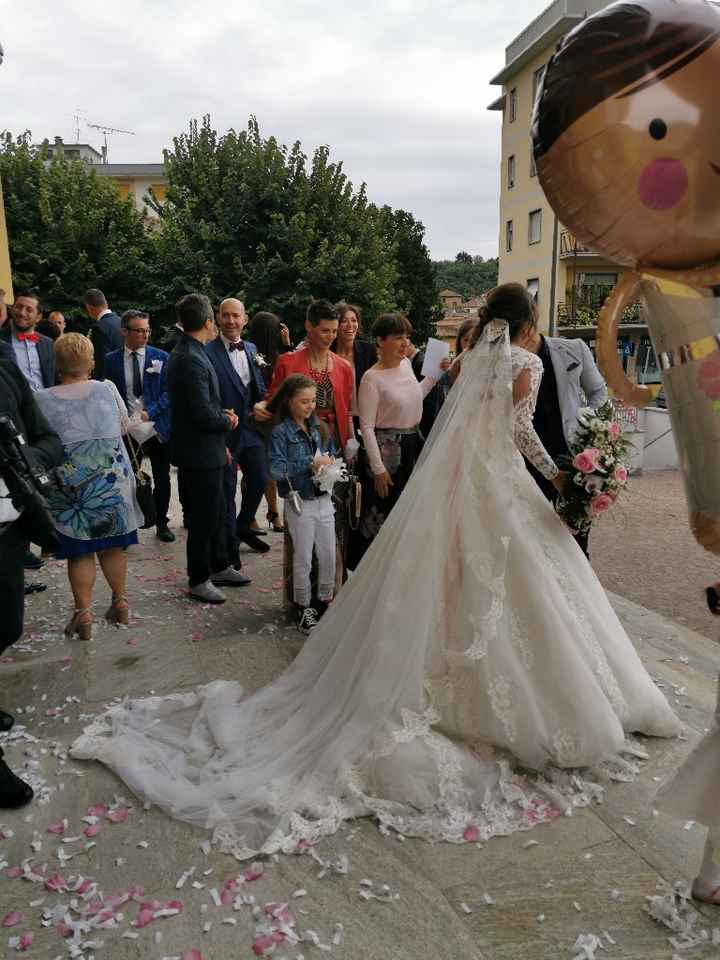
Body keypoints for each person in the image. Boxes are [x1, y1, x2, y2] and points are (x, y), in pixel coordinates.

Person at [71, 281, 681, 858]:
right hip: (507, 486)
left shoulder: (471, 364)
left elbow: (463, 427)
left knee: (469, 577)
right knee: (527, 578)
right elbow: (521, 434)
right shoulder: (526, 364)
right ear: (524, 326)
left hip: (465, 485)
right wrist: (563, 477)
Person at [35, 334, 141, 638]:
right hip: (112, 484)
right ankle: (120, 604)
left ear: (57, 364)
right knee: (113, 547)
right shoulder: (106, 389)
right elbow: (124, 426)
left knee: (80, 553)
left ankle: (83, 616)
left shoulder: (41, 399)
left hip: (71, 488)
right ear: (91, 362)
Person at [0, 359, 62, 808]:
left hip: (8, 527)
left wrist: (17, 457)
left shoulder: (5, 366)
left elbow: (48, 440)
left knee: (6, 626)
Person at [167, 294, 249, 603]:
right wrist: (227, 421)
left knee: (214, 514)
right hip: (198, 454)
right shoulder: (190, 358)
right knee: (202, 518)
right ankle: (199, 578)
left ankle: (217, 566)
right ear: (207, 322)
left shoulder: (192, 352)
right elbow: (201, 413)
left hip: (209, 449)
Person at [347, 312, 440, 570]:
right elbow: (365, 426)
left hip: (412, 443)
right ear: (380, 341)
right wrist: (378, 469)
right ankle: (372, 570)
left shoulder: (407, 365)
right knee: (382, 510)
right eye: (398, 337)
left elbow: (414, 397)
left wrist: (432, 377)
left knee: (407, 510)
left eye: (407, 337)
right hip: (387, 450)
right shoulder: (371, 378)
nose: (404, 343)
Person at [519, 318, 607, 556]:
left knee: (577, 545)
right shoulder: (507, 359)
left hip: (572, 461)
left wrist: (594, 429)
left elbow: (598, 391)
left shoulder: (574, 348)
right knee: (529, 546)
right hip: (523, 464)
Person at [267, 375, 337, 634]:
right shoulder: (281, 432)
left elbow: (330, 452)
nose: (310, 406)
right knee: (304, 557)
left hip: (323, 498)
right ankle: (304, 606)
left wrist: (332, 463)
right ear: (289, 401)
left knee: (329, 555)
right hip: (300, 502)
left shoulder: (318, 427)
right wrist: (309, 463)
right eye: (304, 401)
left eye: (312, 401)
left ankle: (324, 600)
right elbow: (276, 468)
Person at [206, 298, 270, 560]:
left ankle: (244, 525)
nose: (231, 321)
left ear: (245, 319)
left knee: (260, 479)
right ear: (218, 318)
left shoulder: (253, 348)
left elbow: (258, 387)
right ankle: (229, 550)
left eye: (236, 316)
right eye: (226, 315)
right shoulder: (208, 352)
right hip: (224, 433)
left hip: (251, 430)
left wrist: (264, 403)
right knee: (227, 490)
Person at [104, 310, 175, 543]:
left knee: (161, 476)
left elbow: (169, 392)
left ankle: (162, 522)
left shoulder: (161, 357)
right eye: (139, 330)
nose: (145, 335)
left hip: (157, 426)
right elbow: (106, 392)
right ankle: (132, 522)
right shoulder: (110, 360)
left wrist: (150, 412)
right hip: (126, 428)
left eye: (147, 330)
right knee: (129, 478)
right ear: (125, 331)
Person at [245, 310, 293, 533]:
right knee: (256, 470)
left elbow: (291, 375)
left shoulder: (279, 355)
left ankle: (272, 513)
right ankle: (252, 515)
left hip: (276, 421)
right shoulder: (251, 355)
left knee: (272, 471)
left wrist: (286, 345)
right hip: (258, 420)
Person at [1, 291, 56, 390]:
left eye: (29, 310)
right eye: (19, 307)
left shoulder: (48, 343)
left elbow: (53, 377)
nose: (22, 313)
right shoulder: (1, 339)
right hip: (15, 403)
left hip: (45, 402)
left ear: (38, 317)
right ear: (12, 309)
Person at [331, 302, 377, 418]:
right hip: (336, 420)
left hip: (365, 421)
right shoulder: (327, 353)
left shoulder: (369, 351)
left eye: (354, 320)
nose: (350, 325)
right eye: (344, 321)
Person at [83, 288, 123, 380]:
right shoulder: (122, 322)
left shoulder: (99, 328)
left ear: (89, 308)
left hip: (108, 382)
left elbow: (101, 362)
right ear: (106, 303)